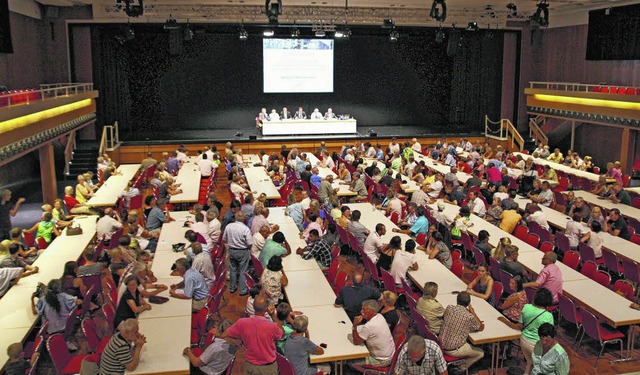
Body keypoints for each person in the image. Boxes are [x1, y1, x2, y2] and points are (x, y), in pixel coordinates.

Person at [222, 295, 283, 374]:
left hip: (250, 365)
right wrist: (273, 315)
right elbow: (281, 333)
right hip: (268, 367)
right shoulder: (272, 326)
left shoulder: (242, 323)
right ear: (266, 309)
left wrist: (239, 342)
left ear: (253, 307)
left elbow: (224, 335)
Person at [498, 288, 555, 375]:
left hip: (524, 341)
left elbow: (519, 326)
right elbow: (549, 336)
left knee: (529, 362)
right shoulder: (548, 316)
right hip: (537, 345)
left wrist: (504, 321)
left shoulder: (526, 307)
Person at [439, 291, 485, 370]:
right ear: (468, 303)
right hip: (454, 350)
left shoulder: (449, 308)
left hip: (441, 343)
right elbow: (480, 327)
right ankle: (461, 368)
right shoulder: (469, 316)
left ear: (457, 300)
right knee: (481, 353)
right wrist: (473, 312)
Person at [350, 299, 395, 367]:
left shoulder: (369, 326)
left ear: (371, 311)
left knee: (350, 361)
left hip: (381, 360)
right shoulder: (380, 316)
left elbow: (356, 342)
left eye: (364, 309)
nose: (361, 311)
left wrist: (354, 325)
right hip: (391, 354)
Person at [223, 212, 253, 296]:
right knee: (243, 271)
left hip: (232, 250)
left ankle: (232, 287)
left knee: (233, 269)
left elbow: (224, 239)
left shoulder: (228, 226)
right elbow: (249, 243)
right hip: (243, 251)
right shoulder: (245, 229)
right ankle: (242, 290)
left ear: (235, 218)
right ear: (243, 219)